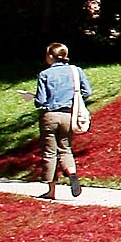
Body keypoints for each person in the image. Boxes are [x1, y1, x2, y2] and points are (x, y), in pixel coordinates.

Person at [32, 42, 92, 200]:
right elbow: (87, 91)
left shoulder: (45, 74)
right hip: (68, 116)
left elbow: (40, 101)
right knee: (65, 147)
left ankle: (51, 190)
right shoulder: (76, 71)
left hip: (50, 116)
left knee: (50, 152)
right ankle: (72, 174)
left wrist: (33, 98)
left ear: (51, 56)